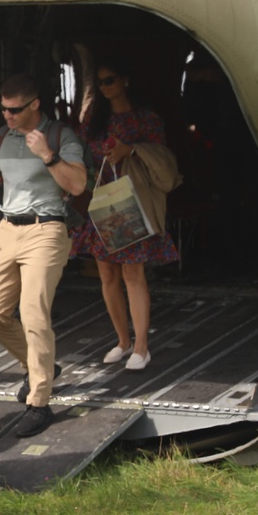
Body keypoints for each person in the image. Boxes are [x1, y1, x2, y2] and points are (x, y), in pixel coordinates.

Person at [0, 73, 87, 438]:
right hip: (7, 229)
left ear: (34, 105)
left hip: (46, 228)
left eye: (15, 110)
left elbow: (77, 185)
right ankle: (39, 366)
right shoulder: (0, 137)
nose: (8, 115)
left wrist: (47, 155)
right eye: (3, 108)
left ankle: (39, 401)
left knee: (34, 313)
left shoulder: (61, 137)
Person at [70, 58, 180, 370]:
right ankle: (122, 340)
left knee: (133, 272)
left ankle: (142, 346)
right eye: (100, 82)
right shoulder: (94, 117)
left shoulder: (146, 118)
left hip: (131, 200)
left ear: (125, 80)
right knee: (106, 274)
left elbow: (162, 158)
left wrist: (130, 150)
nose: (105, 88)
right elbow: (81, 149)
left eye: (110, 80)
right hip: (101, 198)